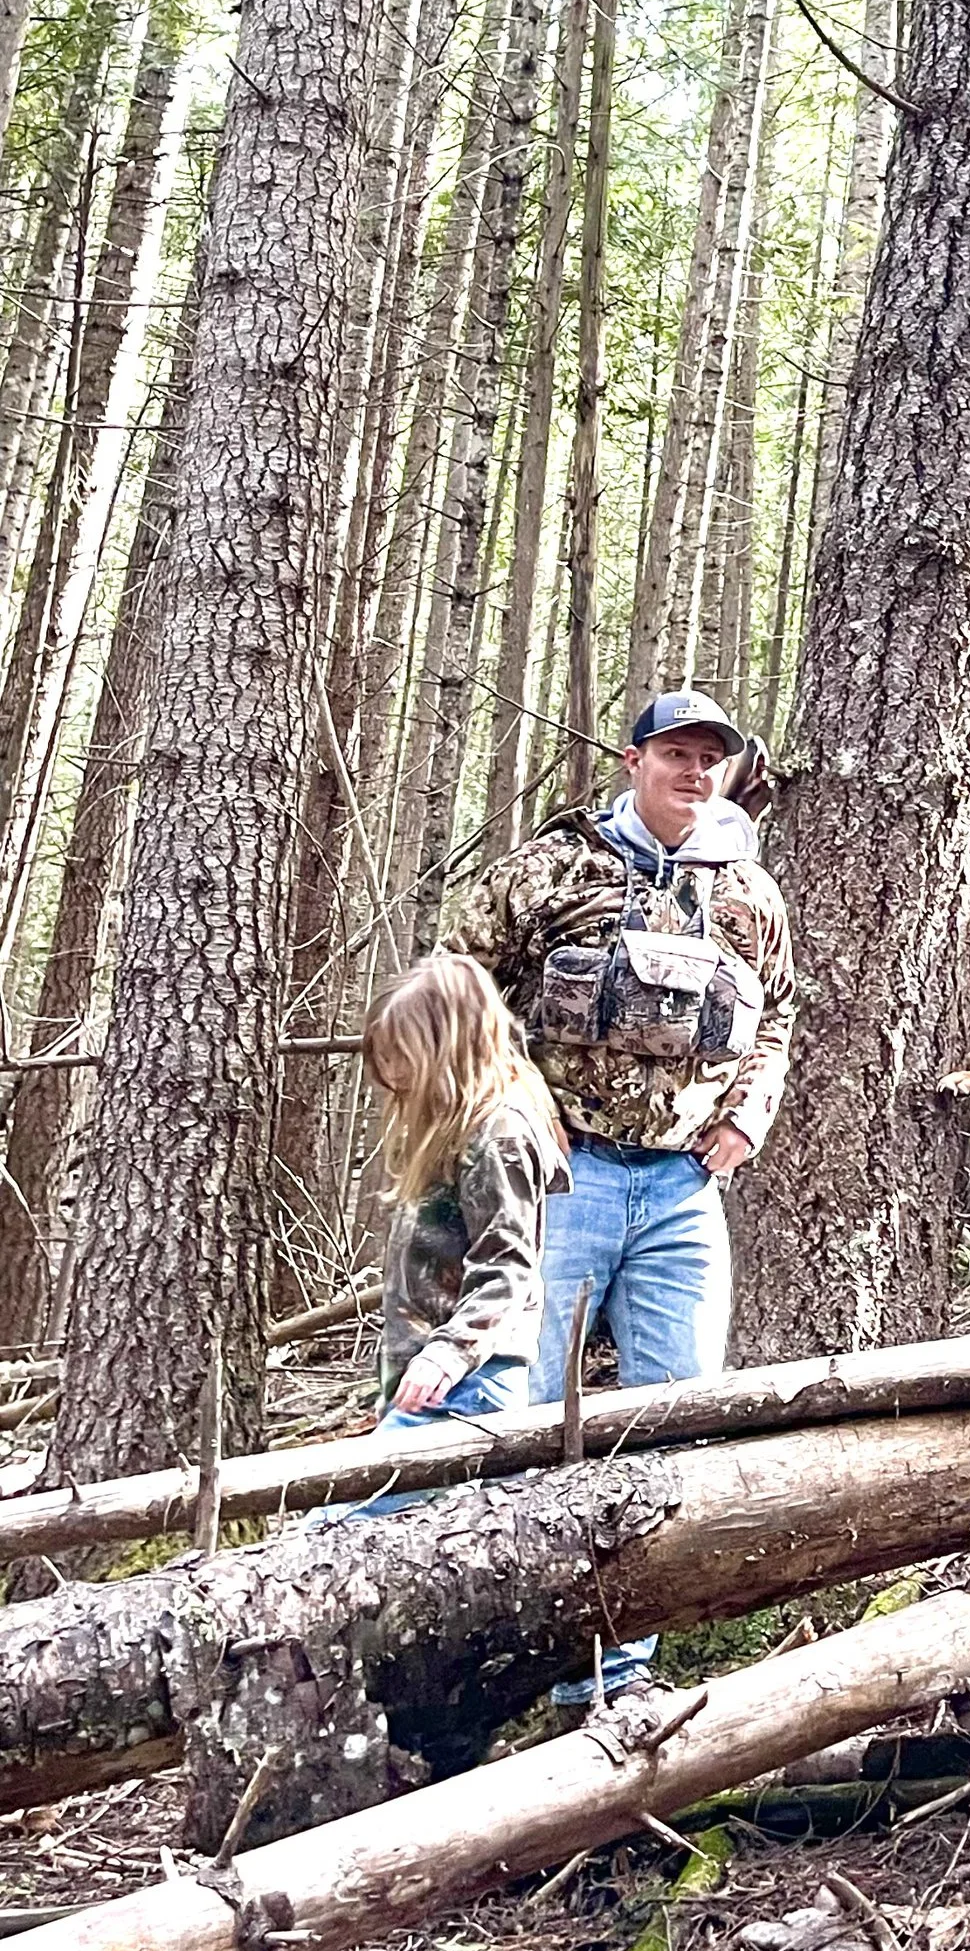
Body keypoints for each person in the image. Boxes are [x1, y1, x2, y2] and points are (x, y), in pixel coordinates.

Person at [440, 686, 793, 1700]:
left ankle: (620, 1672)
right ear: (634, 761)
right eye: (674, 755)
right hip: (567, 1180)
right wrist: (515, 1101)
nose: (693, 774)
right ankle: (513, 1660)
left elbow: (780, 1015)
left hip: (685, 1192)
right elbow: (455, 989)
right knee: (518, 1418)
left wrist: (743, 1121)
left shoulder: (747, 892)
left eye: (711, 761)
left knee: (675, 1422)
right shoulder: (552, 869)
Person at [331, 953, 569, 1520]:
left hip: (469, 1385)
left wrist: (448, 1353)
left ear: (447, 1049)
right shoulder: (461, 1129)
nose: (394, 1077)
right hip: (439, 1379)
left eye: (402, 1059)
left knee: (337, 1530)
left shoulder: (500, 1137)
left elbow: (508, 1266)